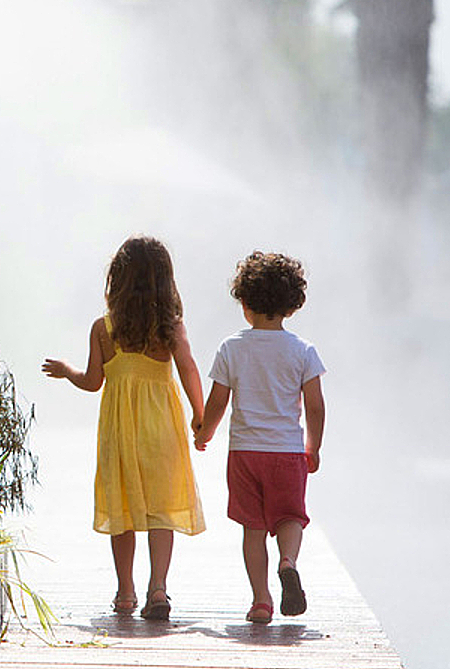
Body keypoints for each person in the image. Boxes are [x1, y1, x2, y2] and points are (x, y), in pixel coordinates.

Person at [43, 236, 206, 620]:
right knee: (161, 511)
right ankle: (159, 588)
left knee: (123, 508)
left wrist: (67, 372)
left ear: (117, 279)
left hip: (120, 432)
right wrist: (201, 418)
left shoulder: (104, 328)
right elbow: (189, 371)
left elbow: (93, 382)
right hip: (162, 429)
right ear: (166, 282)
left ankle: (125, 592)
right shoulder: (171, 328)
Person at [192, 251, 326, 624]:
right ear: (291, 305)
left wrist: (205, 432)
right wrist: (313, 445)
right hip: (286, 452)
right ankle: (288, 561)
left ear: (245, 302)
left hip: (245, 453)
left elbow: (218, 401)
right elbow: (315, 406)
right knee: (290, 518)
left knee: (252, 529)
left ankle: (261, 600)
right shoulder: (303, 351)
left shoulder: (232, 348)